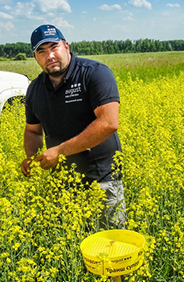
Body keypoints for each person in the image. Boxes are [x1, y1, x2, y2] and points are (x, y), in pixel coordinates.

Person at [21, 24, 126, 229]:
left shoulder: (95, 74)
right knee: (71, 244)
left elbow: (109, 123)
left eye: (54, 47)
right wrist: (31, 157)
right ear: (35, 58)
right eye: (41, 51)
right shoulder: (34, 89)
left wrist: (59, 152)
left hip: (101, 178)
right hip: (62, 184)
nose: (49, 55)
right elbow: (33, 130)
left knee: (110, 243)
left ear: (66, 46)